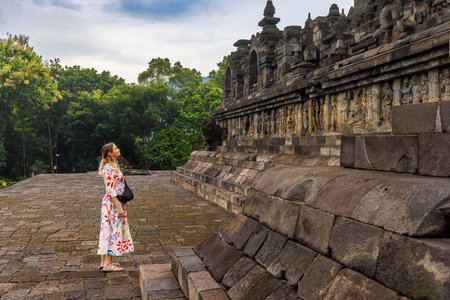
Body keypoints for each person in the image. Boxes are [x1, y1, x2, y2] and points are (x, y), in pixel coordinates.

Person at [97, 142, 134, 272]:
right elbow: (110, 190)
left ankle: (104, 262)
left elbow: (118, 186)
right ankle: (108, 264)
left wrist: (124, 200)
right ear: (111, 154)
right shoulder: (108, 169)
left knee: (108, 231)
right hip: (112, 204)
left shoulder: (115, 166)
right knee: (113, 231)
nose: (119, 149)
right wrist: (118, 207)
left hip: (115, 202)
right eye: (116, 148)